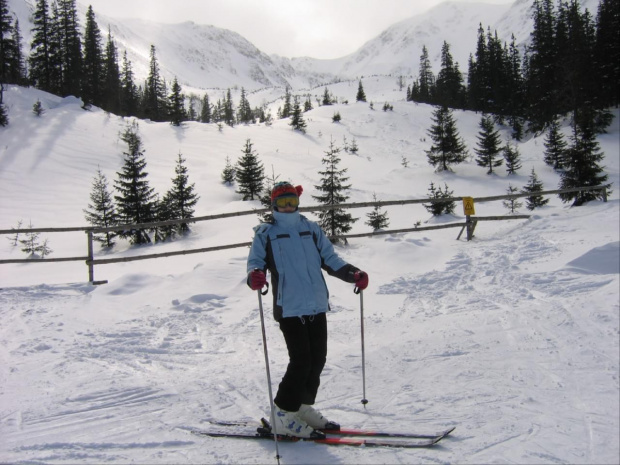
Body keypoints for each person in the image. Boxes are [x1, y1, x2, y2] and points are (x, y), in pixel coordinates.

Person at [247, 181, 369, 438]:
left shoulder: (311, 229)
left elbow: (331, 259)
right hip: (289, 308)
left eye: (292, 201)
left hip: (315, 304)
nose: (288, 206)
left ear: (298, 202)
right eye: (283, 202)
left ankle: (301, 408)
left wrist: (353, 273)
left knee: (317, 360)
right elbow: (255, 262)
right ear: (274, 205)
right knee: (300, 362)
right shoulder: (265, 233)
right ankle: (281, 414)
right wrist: (255, 275)